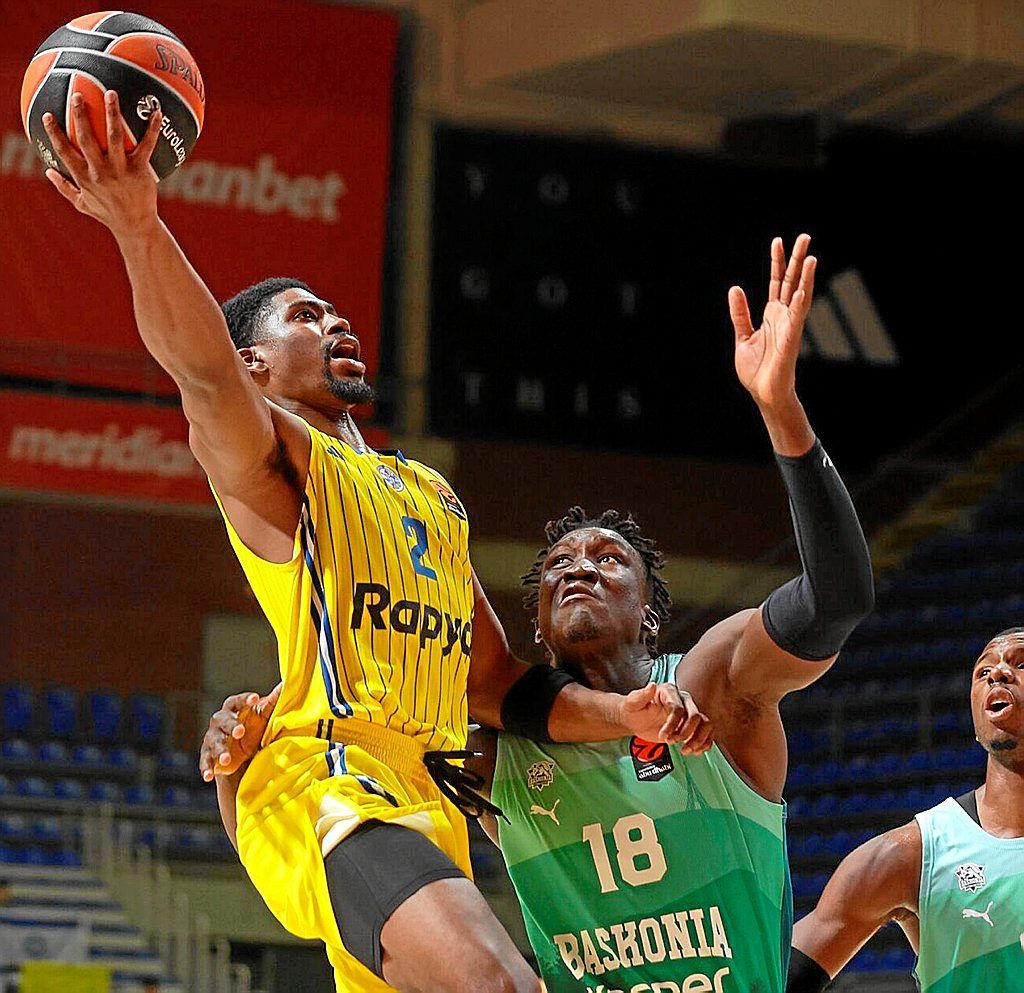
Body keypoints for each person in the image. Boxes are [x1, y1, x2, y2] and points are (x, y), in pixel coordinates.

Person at [41, 93, 701, 993]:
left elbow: (494, 684)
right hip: (327, 780)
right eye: (305, 317)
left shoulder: (430, 494)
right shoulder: (275, 460)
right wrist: (137, 225)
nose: (336, 322)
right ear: (255, 366)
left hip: (427, 799)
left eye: (335, 312)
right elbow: (202, 372)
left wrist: (623, 714)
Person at [202, 235, 876, 993]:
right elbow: (329, 822)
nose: (578, 567)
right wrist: (238, 761)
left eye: (608, 559)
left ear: (652, 612)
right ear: (534, 629)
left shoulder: (711, 688)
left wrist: (783, 414)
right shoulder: (493, 755)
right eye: (557, 566)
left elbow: (838, 600)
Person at [787, 626, 1024, 993]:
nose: (998, 674)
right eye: (983, 671)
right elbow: (773, 977)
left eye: (1021, 664)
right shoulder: (915, 853)